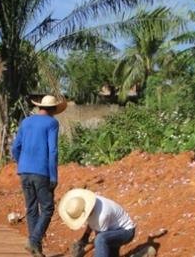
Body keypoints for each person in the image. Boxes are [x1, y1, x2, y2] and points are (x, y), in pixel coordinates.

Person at [12, 95, 67, 257]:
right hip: (42, 172)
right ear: (53, 110)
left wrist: (21, 163)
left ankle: (36, 250)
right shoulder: (52, 123)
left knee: (31, 209)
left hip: (24, 172)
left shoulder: (26, 122)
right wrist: (54, 176)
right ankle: (34, 240)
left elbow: (15, 147)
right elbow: (53, 150)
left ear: (39, 107)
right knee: (48, 208)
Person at [58, 188, 136, 257]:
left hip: (126, 232)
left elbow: (98, 239)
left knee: (100, 239)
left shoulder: (101, 215)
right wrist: (85, 237)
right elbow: (92, 220)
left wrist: (81, 253)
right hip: (111, 231)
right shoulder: (89, 203)